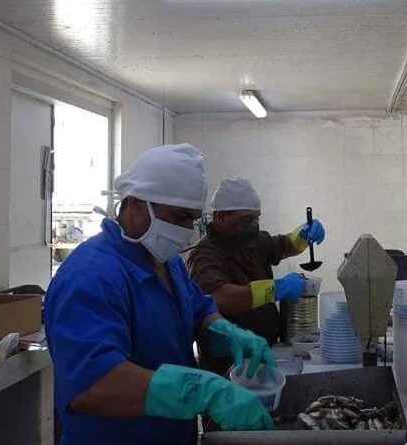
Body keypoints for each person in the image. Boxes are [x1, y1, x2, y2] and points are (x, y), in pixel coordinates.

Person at [45, 144, 276, 445]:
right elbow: (93, 384)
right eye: (179, 217)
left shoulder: (165, 261)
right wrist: (204, 390)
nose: (187, 229)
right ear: (136, 204)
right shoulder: (90, 277)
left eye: (193, 218)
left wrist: (224, 331)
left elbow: (198, 308)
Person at [186, 177, 325, 373]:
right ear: (221, 217)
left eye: (256, 218)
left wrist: (301, 236)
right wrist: (275, 289)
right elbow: (219, 297)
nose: (253, 225)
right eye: (246, 219)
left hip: (264, 353)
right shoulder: (204, 255)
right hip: (227, 365)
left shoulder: (252, 243)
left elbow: (284, 245)